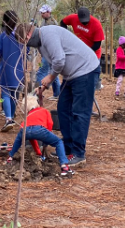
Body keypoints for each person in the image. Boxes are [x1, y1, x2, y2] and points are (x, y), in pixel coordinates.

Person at [18, 23, 100, 167]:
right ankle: (67, 147)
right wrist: (44, 86)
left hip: (85, 70)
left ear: (29, 35)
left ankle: (79, 154)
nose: (26, 45)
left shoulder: (48, 35)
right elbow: (53, 63)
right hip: (71, 75)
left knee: (79, 112)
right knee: (63, 109)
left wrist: (49, 78)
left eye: (25, 41)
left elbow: (59, 60)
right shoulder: (41, 43)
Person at [6, 95, 74, 177]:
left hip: (24, 129)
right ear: (36, 103)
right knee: (58, 142)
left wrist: (39, 153)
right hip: (40, 129)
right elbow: (50, 124)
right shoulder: (44, 110)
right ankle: (64, 166)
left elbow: (31, 138)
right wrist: (47, 137)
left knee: (18, 142)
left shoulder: (27, 117)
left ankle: (10, 157)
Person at [60, 7, 105, 91]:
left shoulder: (96, 24)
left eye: (86, 21)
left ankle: (92, 89)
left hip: (93, 53)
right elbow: (63, 22)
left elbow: (97, 45)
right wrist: (65, 35)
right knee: (77, 74)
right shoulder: (73, 18)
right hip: (78, 52)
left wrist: (86, 53)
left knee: (92, 78)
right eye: (82, 21)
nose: (85, 23)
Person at [0, 11, 25, 131]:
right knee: (14, 95)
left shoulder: (4, 35)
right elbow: (27, 50)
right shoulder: (21, 35)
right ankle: (12, 116)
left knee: (5, 94)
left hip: (6, 69)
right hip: (19, 69)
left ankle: (8, 119)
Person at [36, 5, 60, 100]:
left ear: (49, 12)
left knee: (41, 72)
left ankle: (38, 93)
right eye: (41, 13)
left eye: (43, 12)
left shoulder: (52, 23)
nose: (42, 14)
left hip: (49, 51)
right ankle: (57, 94)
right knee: (53, 72)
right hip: (46, 50)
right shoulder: (44, 22)